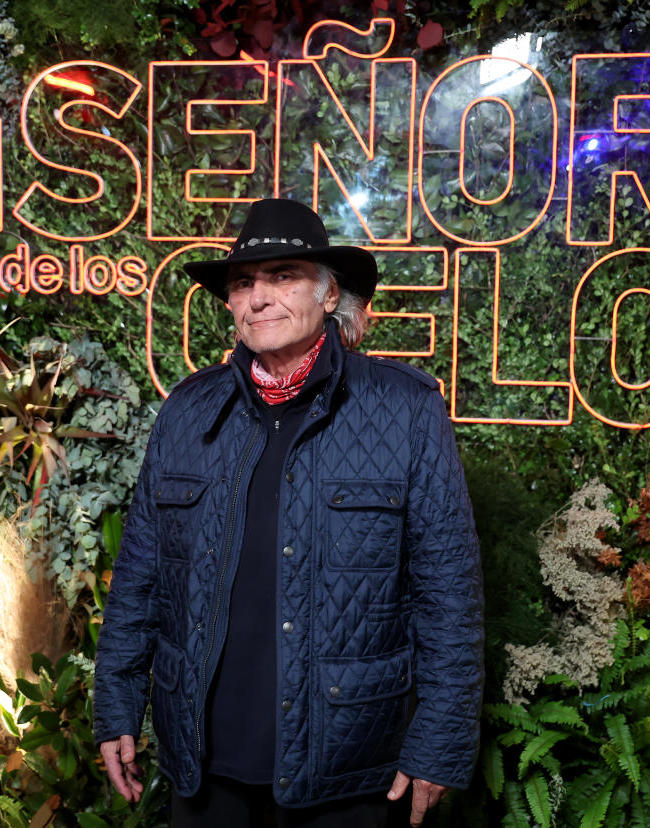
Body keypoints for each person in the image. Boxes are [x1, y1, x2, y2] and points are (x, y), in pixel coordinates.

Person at [95, 198, 483, 828]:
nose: (259, 298)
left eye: (283, 277)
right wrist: (116, 703)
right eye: (244, 282)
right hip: (204, 763)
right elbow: (141, 575)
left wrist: (440, 740)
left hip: (348, 766)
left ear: (329, 295)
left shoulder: (405, 409)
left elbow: (449, 594)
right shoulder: (188, 411)